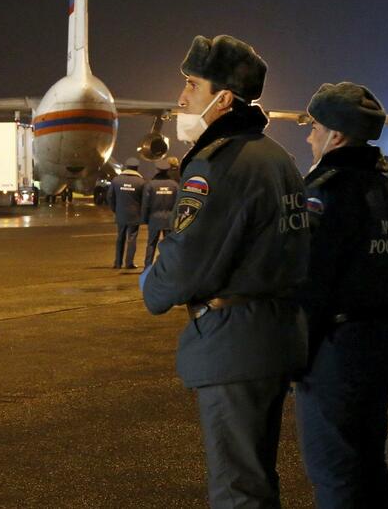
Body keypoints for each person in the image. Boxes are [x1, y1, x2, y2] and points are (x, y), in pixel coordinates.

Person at [142, 34, 309, 508]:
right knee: (256, 478)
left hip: (234, 343)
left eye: (192, 86)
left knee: (237, 489)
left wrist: (149, 284)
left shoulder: (220, 165)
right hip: (273, 335)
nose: (181, 98)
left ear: (224, 99)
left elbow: (181, 265)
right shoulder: (277, 157)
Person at [296, 82, 388, 508]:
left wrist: (293, 355)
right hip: (381, 344)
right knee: (368, 462)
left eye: (315, 128)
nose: (309, 137)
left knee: (335, 471)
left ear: (336, 136)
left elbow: (310, 281)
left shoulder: (323, 192)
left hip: (334, 352)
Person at [140, 156, 180, 269]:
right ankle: (168, 266)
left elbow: (145, 204)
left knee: (151, 243)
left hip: (154, 218)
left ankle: (147, 266)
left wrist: (144, 219)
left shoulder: (150, 185)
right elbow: (178, 203)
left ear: (157, 170)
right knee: (169, 244)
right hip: (169, 219)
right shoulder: (174, 185)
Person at [106, 157, 144, 269]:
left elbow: (110, 197)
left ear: (126, 167)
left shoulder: (116, 180)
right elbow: (144, 200)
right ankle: (129, 263)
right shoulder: (141, 182)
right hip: (135, 215)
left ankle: (117, 263)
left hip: (120, 214)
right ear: (136, 168)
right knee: (132, 238)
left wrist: (115, 209)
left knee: (120, 237)